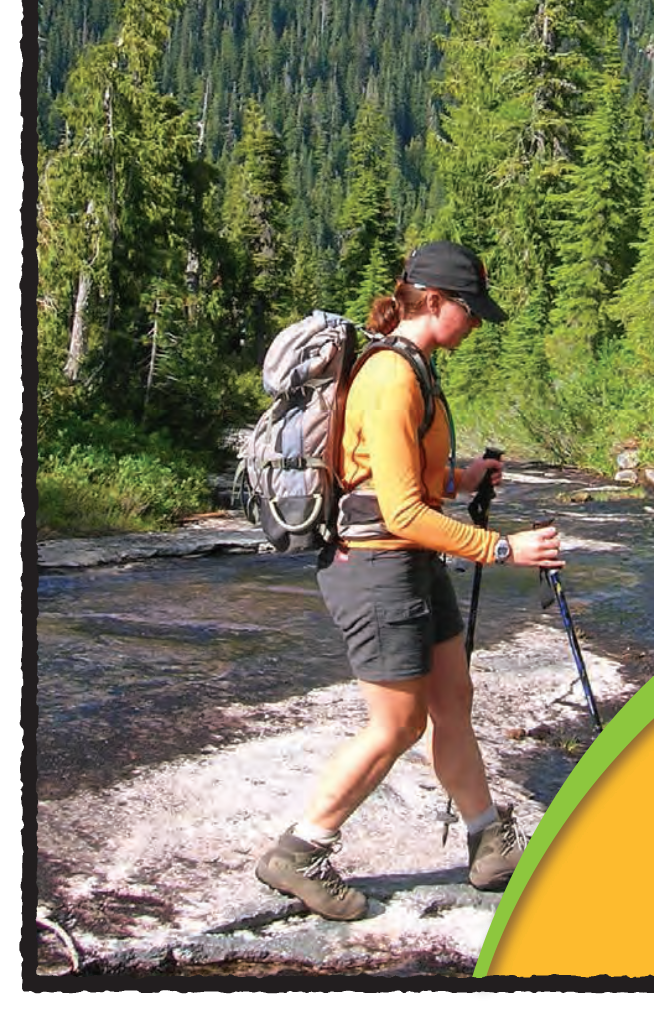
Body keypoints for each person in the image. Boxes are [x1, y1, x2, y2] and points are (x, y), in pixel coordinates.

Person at [255, 241, 564, 921]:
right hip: (376, 569)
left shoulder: (416, 370)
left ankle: (489, 844)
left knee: (453, 698)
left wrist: (462, 479)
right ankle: (299, 852)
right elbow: (397, 511)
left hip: (411, 561)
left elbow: (404, 482)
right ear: (434, 301)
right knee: (397, 724)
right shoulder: (392, 378)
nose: (477, 323)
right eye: (470, 310)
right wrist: (503, 549)